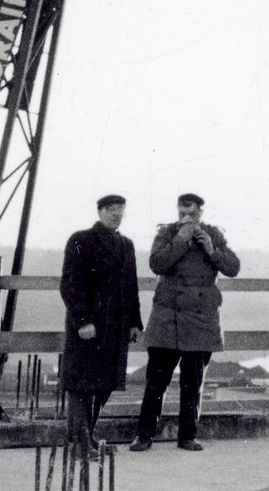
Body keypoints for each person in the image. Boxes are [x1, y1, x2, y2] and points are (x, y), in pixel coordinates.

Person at [131, 192, 240, 452]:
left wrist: (212, 250)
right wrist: (180, 240)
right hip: (167, 319)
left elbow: (233, 268)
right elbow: (156, 263)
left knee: (193, 384)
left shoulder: (214, 234)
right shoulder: (167, 233)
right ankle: (144, 436)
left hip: (201, 321)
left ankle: (188, 436)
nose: (186, 218)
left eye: (192, 213)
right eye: (182, 213)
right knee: (156, 382)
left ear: (201, 213)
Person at [59, 193, 144, 446]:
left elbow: (131, 287)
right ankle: (77, 441)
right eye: (110, 209)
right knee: (82, 383)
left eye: (120, 209)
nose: (116, 213)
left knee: (105, 384)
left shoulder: (126, 245)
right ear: (99, 212)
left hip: (115, 326)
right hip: (88, 326)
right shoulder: (81, 240)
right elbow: (70, 285)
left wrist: (134, 323)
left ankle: (89, 435)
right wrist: (83, 320)